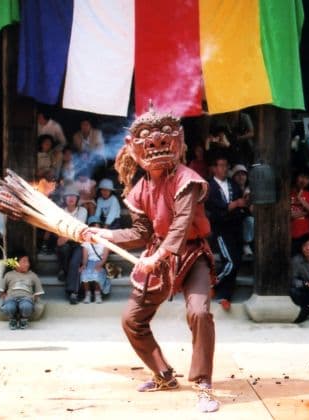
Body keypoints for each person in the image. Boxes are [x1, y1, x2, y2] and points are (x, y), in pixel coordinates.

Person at [82, 108, 219, 413]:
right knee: (132, 319)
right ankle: (163, 374)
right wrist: (103, 234)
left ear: (178, 141)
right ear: (133, 147)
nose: (156, 143)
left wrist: (157, 255)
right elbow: (141, 232)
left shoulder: (187, 179)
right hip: (159, 259)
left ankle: (203, 383)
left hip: (191, 254)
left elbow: (181, 226)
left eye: (165, 135)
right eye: (146, 138)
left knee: (199, 312)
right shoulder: (141, 188)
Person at [206, 155, 247, 310]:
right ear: (214, 168)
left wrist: (239, 204)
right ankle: (211, 283)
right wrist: (235, 204)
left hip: (236, 227)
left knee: (236, 261)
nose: (224, 168)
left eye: (226, 165)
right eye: (221, 165)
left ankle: (224, 296)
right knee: (231, 262)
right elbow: (218, 209)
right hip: (221, 229)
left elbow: (241, 202)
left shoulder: (232, 184)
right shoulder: (209, 187)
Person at [56, 186, 87, 304]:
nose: (71, 198)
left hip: (78, 242)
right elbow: (58, 229)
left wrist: (65, 237)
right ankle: (64, 270)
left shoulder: (82, 211)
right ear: (64, 198)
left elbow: (79, 229)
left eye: (74, 196)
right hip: (64, 241)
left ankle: (73, 292)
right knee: (63, 248)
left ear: (77, 198)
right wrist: (63, 237)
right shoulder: (60, 211)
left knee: (75, 263)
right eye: (68, 196)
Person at [0, 251, 44, 330]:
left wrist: (33, 298)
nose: (27, 264)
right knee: (9, 307)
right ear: (15, 263)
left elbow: (38, 291)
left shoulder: (32, 275)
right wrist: (4, 297)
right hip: (11, 298)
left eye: (28, 261)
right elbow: (1, 289)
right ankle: (12, 319)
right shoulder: (9, 274)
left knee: (26, 306)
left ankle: (24, 319)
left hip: (26, 298)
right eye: (24, 261)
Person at [80, 216, 110, 304]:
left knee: (97, 273)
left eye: (98, 227)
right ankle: (87, 294)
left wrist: (100, 264)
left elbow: (105, 257)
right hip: (90, 262)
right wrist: (84, 265)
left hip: (100, 262)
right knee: (84, 273)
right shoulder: (86, 241)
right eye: (93, 227)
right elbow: (85, 257)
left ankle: (97, 293)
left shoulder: (105, 241)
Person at [290, 169, 309, 253]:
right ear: (296, 177)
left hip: (305, 237)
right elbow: (290, 215)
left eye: (307, 178)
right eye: (302, 177)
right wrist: (307, 212)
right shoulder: (287, 193)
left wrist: (300, 199)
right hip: (289, 236)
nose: (304, 180)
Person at [230, 164, 254, 257]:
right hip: (233, 218)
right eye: (238, 174)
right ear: (234, 177)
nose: (241, 177)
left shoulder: (250, 189)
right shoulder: (230, 189)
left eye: (243, 174)